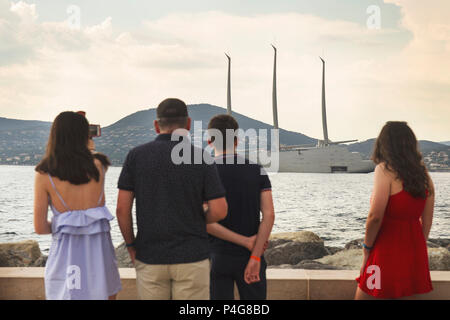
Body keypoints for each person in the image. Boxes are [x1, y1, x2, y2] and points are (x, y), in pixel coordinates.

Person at [116, 98, 228, 300]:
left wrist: (131, 246)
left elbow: (122, 210)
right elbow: (220, 210)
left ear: (156, 125)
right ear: (188, 124)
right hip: (192, 258)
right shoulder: (201, 157)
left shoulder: (136, 156)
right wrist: (195, 217)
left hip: (150, 257)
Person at [34, 111, 121, 300]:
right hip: (99, 250)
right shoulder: (99, 165)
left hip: (66, 253)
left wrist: (64, 224)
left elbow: (40, 228)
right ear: (84, 135)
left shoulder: (44, 174)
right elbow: (88, 156)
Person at [355, 121, 435, 300]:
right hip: (414, 249)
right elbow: (427, 222)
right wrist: (415, 250)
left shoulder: (384, 170)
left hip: (386, 248)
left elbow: (375, 216)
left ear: (384, 145)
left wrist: (367, 248)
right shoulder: (424, 175)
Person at [206, 114, 275, 300]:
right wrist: (255, 255)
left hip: (215, 258)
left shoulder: (204, 172)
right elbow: (269, 215)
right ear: (236, 141)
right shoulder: (257, 170)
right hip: (250, 256)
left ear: (210, 141)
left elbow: (202, 221)